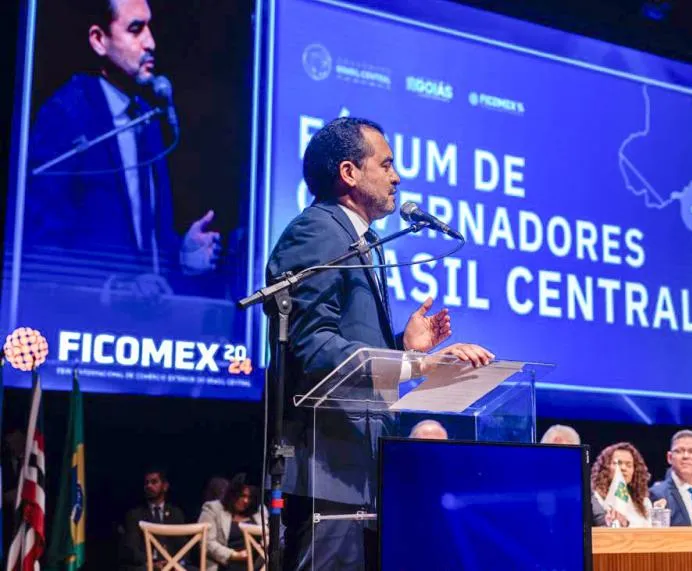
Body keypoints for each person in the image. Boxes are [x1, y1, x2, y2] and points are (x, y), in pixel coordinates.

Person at [267, 117, 493, 571]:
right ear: (349, 172)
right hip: (328, 468)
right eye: (386, 164)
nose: (397, 177)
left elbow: (347, 345)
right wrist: (418, 367)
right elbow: (313, 346)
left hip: (358, 468)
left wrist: (405, 347)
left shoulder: (362, 241)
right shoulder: (319, 230)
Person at [25, 0, 219, 291]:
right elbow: (41, 242)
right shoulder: (67, 114)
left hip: (148, 313)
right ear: (99, 40)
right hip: (85, 311)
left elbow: (146, 240)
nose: (150, 42)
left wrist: (181, 257)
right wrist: (113, 287)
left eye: (149, 28)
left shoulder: (147, 118)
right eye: (135, 29)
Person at [120, 469, 188, 570]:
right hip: (147, 565)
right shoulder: (135, 515)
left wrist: (173, 563)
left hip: (172, 565)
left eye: (154, 482)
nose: (149, 486)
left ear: (165, 486)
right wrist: (151, 563)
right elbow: (132, 548)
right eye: (146, 483)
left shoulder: (176, 513)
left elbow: (183, 546)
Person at [199, 474, 265, 571]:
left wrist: (263, 545)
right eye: (242, 496)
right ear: (233, 494)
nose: (246, 501)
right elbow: (207, 542)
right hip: (224, 565)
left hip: (256, 566)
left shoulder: (259, 512)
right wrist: (234, 555)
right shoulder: (213, 509)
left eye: (250, 497)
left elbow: (268, 534)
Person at [590, 442, 654, 528]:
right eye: (618, 463)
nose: (623, 468)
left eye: (629, 465)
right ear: (605, 467)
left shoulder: (644, 503)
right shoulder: (595, 499)